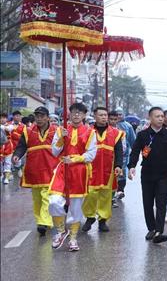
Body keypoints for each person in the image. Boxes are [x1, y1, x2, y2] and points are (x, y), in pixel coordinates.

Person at [48, 103, 97, 251]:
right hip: (62, 170)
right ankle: (62, 231)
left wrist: (76, 159)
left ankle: (73, 238)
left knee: (76, 207)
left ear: (84, 115)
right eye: (74, 112)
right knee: (54, 201)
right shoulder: (61, 130)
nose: (76, 115)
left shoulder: (90, 132)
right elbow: (55, 152)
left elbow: (91, 154)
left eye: (79, 113)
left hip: (79, 171)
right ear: (69, 114)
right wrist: (61, 139)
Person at [128, 107, 167, 244]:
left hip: (163, 175)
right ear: (150, 118)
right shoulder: (143, 135)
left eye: (162, 116)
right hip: (147, 174)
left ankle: (159, 231)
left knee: (161, 203)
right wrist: (131, 166)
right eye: (157, 116)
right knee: (148, 203)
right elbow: (135, 151)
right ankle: (151, 228)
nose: (161, 119)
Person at [11, 106, 58, 236]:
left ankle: (44, 222)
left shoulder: (57, 131)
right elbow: (21, 147)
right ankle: (40, 221)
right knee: (37, 198)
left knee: (46, 196)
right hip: (34, 170)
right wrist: (16, 155)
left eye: (42, 116)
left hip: (51, 169)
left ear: (48, 118)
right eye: (37, 116)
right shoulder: (28, 131)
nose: (39, 118)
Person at [81, 107, 124, 233]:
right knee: (90, 193)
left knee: (106, 194)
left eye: (105, 115)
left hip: (108, 168)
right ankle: (89, 217)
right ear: (95, 116)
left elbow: (119, 151)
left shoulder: (115, 133)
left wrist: (118, 165)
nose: (104, 117)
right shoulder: (87, 131)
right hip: (91, 168)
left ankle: (103, 220)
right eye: (101, 115)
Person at [113, 109, 136, 202]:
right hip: (110, 153)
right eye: (117, 114)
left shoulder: (128, 126)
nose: (118, 116)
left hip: (123, 154)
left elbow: (133, 141)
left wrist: (136, 152)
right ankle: (112, 192)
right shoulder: (110, 126)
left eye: (120, 114)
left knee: (121, 172)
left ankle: (120, 190)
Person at [1, 112, 15, 184]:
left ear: (6, 119)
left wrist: (1, 126)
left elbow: (8, 129)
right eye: (1, 118)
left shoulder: (10, 125)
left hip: (8, 145)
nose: (2, 119)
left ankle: (6, 177)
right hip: (0, 146)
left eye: (4, 118)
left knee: (7, 162)